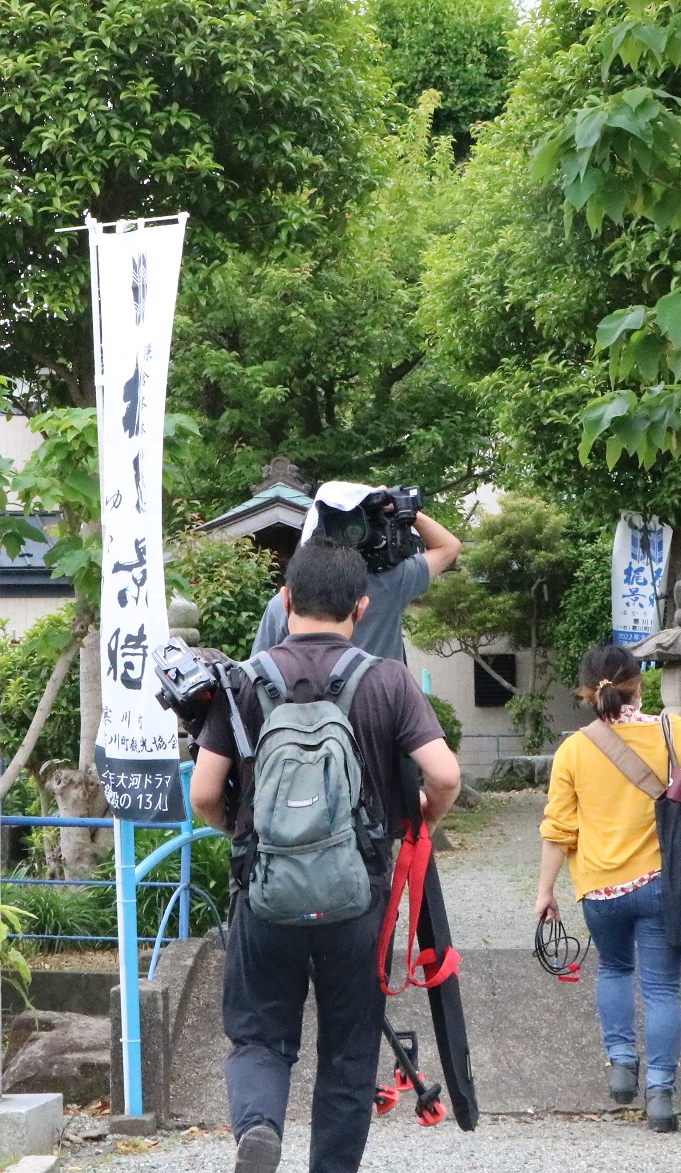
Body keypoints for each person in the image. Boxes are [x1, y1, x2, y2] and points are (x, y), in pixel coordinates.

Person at [192, 538, 463, 1173]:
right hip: (356, 898)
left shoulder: (245, 681)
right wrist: (419, 819)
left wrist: (243, 829)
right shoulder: (388, 681)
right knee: (347, 1052)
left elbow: (204, 791)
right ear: (361, 605)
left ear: (286, 600)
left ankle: (259, 1128)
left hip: (264, 892)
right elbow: (445, 777)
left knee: (260, 1035)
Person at [534, 643, 681, 1132]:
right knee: (663, 988)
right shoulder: (675, 731)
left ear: (585, 692)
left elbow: (559, 829)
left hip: (601, 890)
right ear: (638, 685)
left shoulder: (575, 749)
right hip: (662, 884)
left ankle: (622, 1063)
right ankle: (662, 1097)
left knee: (615, 970)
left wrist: (545, 893)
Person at [248, 482, 462, 663]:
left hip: (300, 711)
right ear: (360, 607)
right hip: (377, 707)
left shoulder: (284, 602)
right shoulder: (390, 583)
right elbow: (449, 547)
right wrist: (403, 509)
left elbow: (257, 674)